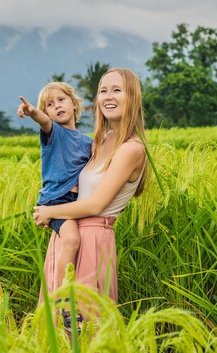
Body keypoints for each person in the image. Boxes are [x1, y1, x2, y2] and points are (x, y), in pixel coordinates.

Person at [33, 67, 148, 326]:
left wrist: (48, 212)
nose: (108, 96)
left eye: (117, 90)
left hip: (93, 241)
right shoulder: (99, 141)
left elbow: (97, 204)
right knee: (55, 332)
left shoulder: (132, 149)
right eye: (103, 91)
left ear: (132, 97)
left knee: (85, 330)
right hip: (66, 236)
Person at [17, 82, 93, 304]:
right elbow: (43, 121)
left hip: (76, 202)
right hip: (56, 200)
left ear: (74, 103)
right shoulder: (54, 133)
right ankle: (62, 297)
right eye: (50, 104)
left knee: (80, 243)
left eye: (61, 100)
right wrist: (32, 112)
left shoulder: (89, 142)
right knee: (71, 241)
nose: (57, 106)